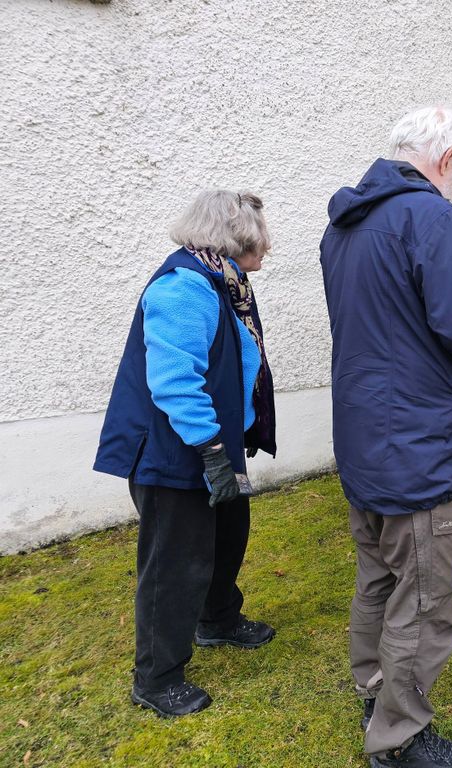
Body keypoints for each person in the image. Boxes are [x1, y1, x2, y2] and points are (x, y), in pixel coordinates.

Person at [320, 106, 452, 768]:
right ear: (447, 158)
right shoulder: (430, 217)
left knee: (379, 576)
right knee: (425, 598)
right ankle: (398, 740)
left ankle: (375, 693)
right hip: (417, 443)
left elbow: (390, 326)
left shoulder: (346, 225)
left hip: (366, 434)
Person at [94, 190, 278, 718]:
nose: (267, 249)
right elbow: (175, 382)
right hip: (177, 453)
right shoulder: (183, 287)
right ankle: (156, 677)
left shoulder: (223, 283)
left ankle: (217, 620)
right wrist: (213, 450)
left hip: (213, 446)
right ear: (234, 241)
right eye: (261, 240)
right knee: (175, 563)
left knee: (226, 536)